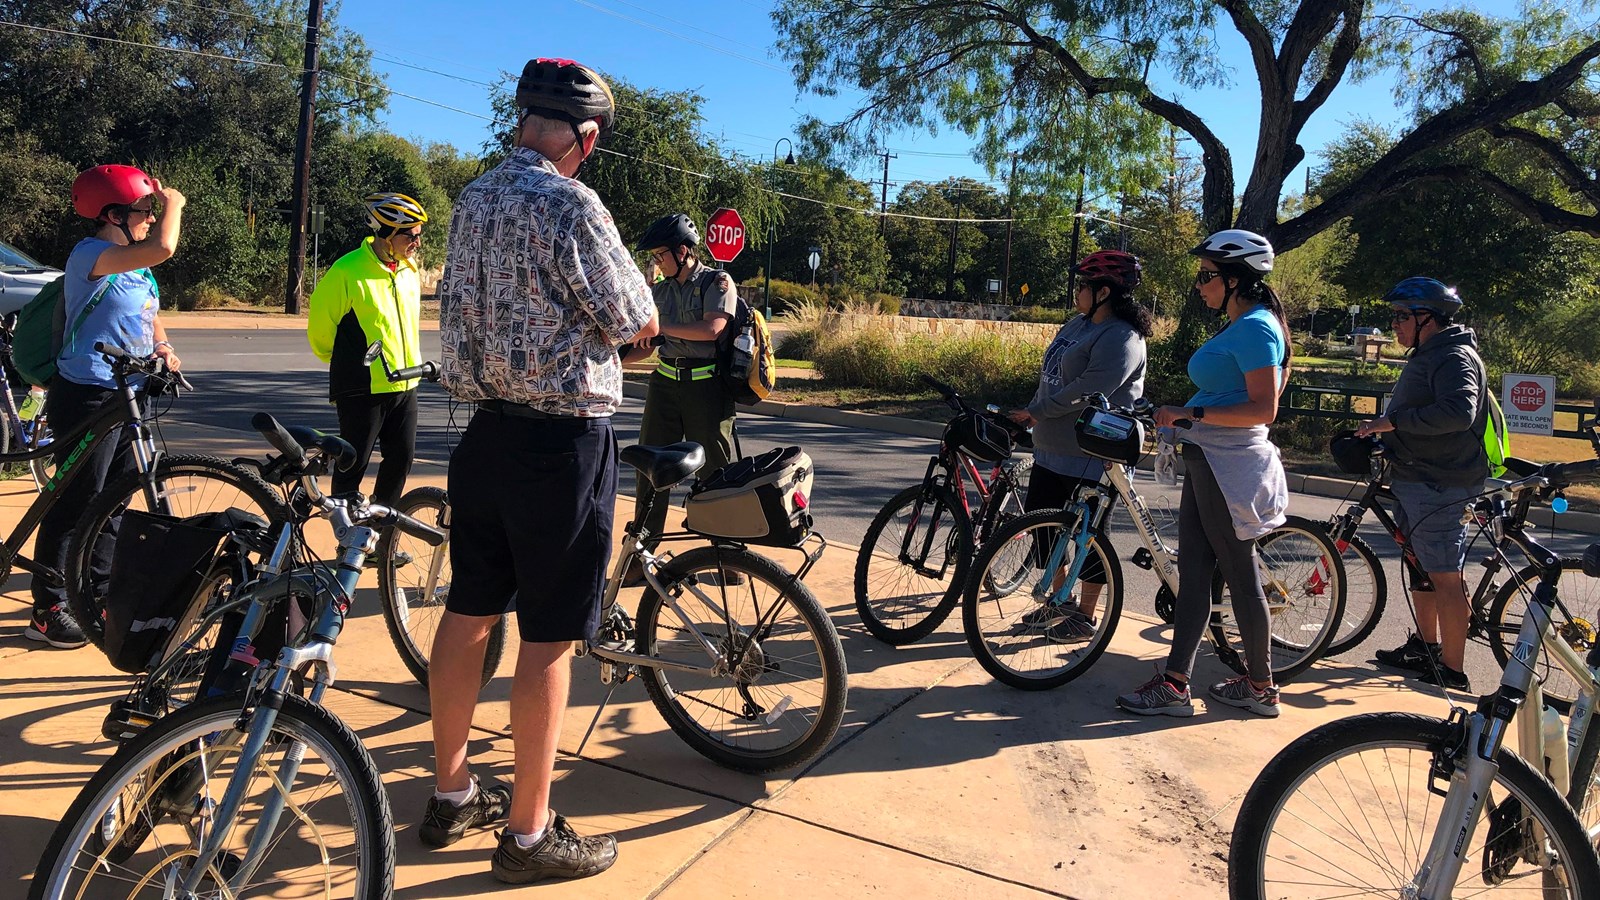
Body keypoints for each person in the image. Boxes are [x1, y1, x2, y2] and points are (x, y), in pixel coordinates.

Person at [426, 57, 658, 884]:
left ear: (522, 119)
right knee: (551, 639)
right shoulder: (571, 204)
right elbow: (638, 321)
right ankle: (529, 834)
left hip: (482, 435)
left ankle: (452, 791)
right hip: (561, 444)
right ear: (585, 139)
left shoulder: (472, 196)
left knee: (470, 611)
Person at [1116, 229, 1291, 718]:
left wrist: (1191, 415)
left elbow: (1264, 408)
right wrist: (1189, 417)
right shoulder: (1244, 325)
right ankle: (1176, 684)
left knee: (1238, 574)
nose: (1200, 285)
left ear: (1236, 279)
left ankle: (1261, 687)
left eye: (1207, 275)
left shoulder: (1257, 327)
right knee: (1193, 575)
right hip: (1208, 458)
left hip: (1227, 462)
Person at [26, 165, 184, 649]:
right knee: (76, 500)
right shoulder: (90, 254)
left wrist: (163, 348)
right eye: (143, 212)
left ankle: (92, 591)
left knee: (114, 500)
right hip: (87, 393)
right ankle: (49, 606)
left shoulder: (133, 264)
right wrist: (174, 204)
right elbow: (164, 246)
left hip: (129, 392)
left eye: (152, 212)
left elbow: (147, 314)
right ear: (112, 214)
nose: (149, 219)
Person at [1008, 250, 1150, 642]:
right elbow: (1053, 377)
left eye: (1083, 285)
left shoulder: (1123, 337)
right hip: (1051, 448)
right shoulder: (1077, 324)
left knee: (1089, 539)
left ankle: (1084, 616)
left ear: (1104, 291)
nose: (1077, 292)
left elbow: (1086, 390)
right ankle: (1058, 604)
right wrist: (1035, 414)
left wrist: (1036, 411)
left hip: (1093, 456)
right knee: (1043, 529)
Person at [1358, 277, 1488, 692]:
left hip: (1440, 483)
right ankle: (1425, 649)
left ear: (1426, 318)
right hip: (1418, 474)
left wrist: (1393, 422)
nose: (1393, 325)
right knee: (1422, 568)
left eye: (1401, 316)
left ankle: (1453, 672)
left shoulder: (1453, 356)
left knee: (1445, 575)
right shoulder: (1432, 352)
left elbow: (1458, 413)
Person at [628, 212, 738, 562]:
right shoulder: (659, 291)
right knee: (650, 470)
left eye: (660, 254)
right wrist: (612, 362)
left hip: (705, 388)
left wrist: (662, 329)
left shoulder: (717, 283)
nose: (657, 262)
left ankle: (728, 554)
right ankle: (642, 552)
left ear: (682, 251)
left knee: (715, 472)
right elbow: (647, 342)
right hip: (664, 385)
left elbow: (712, 329)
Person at [305, 192, 427, 506]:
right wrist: (345, 360)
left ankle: (378, 541)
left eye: (419, 234)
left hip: (406, 382)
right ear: (386, 233)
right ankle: (348, 541)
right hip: (362, 385)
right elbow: (321, 326)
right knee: (352, 464)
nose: (417, 241)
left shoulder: (408, 271)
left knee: (401, 461)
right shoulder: (347, 271)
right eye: (410, 235)